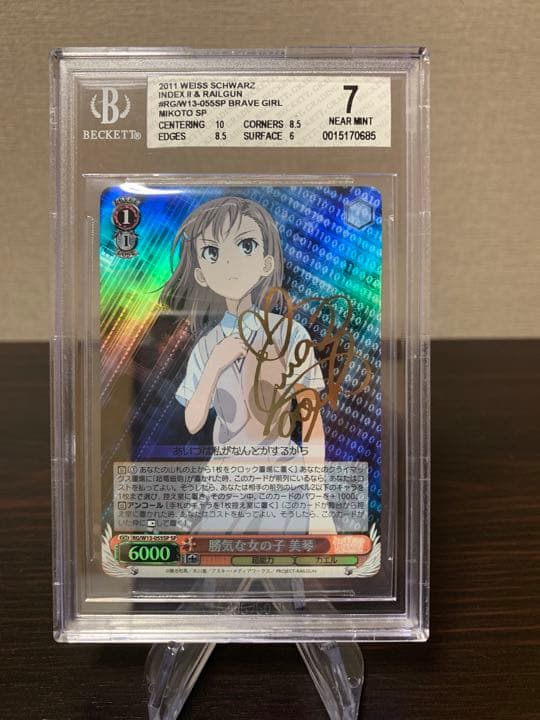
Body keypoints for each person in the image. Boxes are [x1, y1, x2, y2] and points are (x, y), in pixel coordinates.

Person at [160, 196, 335, 534]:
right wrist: (214, 365)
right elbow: (193, 422)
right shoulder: (207, 346)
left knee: (285, 564)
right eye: (213, 252)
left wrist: (318, 504)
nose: (230, 263)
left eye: (246, 246)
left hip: (282, 481)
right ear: (201, 274)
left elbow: (312, 421)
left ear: (266, 263)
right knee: (211, 565)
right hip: (224, 486)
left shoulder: (289, 334)